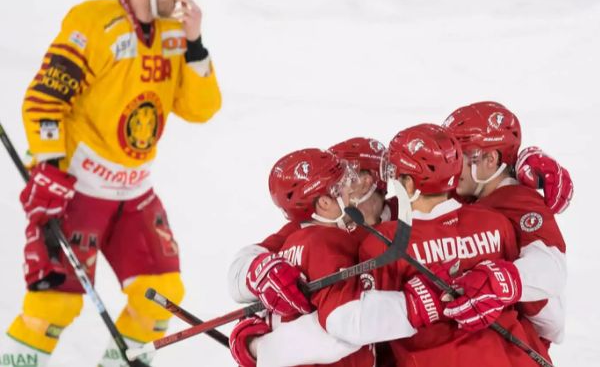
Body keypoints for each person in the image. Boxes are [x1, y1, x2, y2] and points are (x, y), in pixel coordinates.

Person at [0, 0, 221, 367]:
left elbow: (200, 109)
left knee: (161, 296)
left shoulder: (176, 34)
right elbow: (46, 99)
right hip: (77, 189)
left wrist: (195, 45)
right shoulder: (91, 21)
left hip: (134, 193)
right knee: (53, 307)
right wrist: (47, 167)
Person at [236, 125, 550, 367]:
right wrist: (259, 332)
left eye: (351, 175)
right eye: (341, 179)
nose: (346, 185)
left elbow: (450, 163)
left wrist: (517, 175)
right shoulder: (315, 234)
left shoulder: (400, 223)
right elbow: (343, 325)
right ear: (322, 200)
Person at [229, 148, 378, 367]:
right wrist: (257, 272)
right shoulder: (320, 241)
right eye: (343, 185)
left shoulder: (301, 240)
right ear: (325, 203)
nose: (351, 190)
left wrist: (258, 345)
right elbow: (345, 325)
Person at [442, 101, 568, 344]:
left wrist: (497, 281)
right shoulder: (471, 194)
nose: (450, 166)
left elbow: (551, 269)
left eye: (460, 156)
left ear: (490, 159)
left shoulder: (518, 200)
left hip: (511, 345)